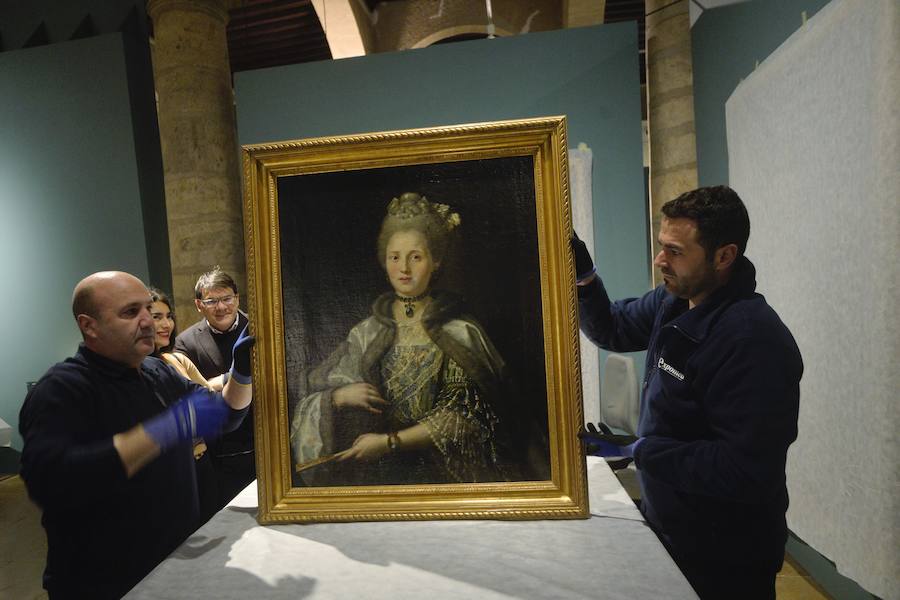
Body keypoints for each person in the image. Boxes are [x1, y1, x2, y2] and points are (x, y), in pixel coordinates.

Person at [574, 186, 802, 600]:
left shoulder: (753, 341)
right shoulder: (676, 301)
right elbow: (612, 327)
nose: (660, 260)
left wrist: (641, 449)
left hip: (725, 558)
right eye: (662, 246)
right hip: (671, 529)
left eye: (675, 251)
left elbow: (744, 471)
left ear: (724, 256)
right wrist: (585, 279)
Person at [18, 271, 255, 599]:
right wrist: (166, 429)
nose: (148, 322)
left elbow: (225, 415)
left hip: (170, 563)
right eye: (131, 313)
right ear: (89, 325)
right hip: (104, 581)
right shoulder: (61, 390)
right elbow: (52, 482)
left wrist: (243, 372)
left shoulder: (156, 371)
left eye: (148, 309)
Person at [290, 192, 515, 486]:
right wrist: (337, 397)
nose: (404, 269)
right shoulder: (366, 333)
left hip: (446, 475)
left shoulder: (461, 332)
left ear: (436, 261)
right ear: (384, 261)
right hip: (376, 474)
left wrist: (389, 442)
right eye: (395, 257)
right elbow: (313, 392)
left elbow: (463, 416)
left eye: (416, 257)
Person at [174, 267, 255, 508]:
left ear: (237, 298)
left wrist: (219, 381)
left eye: (226, 299)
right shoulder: (186, 342)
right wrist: (231, 377)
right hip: (221, 447)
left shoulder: (259, 327)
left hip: (267, 437)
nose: (221, 307)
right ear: (199, 304)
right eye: (211, 301)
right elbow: (187, 392)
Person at [149, 286, 222, 522]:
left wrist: (230, 379)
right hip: (173, 471)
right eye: (156, 317)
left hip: (202, 462)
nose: (166, 325)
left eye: (168, 316)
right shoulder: (138, 370)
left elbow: (208, 398)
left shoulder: (177, 359)